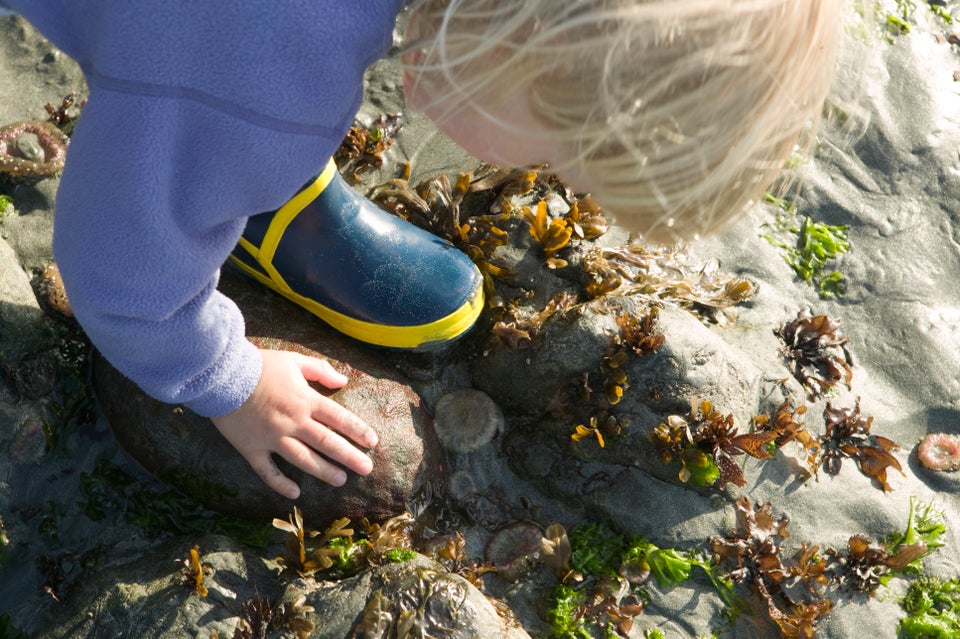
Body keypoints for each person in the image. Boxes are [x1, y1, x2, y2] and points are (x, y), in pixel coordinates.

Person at [0, 1, 842, 499]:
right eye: (551, 149)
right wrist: (225, 379)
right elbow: (118, 274)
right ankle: (225, 167)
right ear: (513, 45)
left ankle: (247, 181)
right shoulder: (257, 70)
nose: (529, 169)